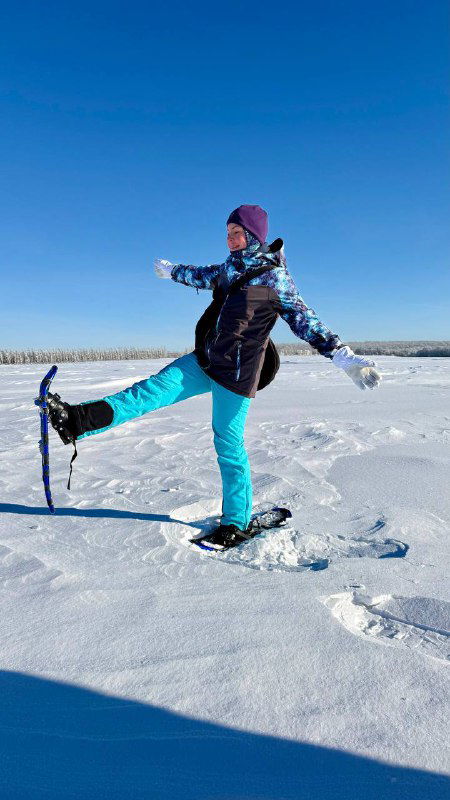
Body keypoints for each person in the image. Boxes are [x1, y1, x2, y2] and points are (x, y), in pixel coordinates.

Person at [47, 204, 381, 549]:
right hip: (204, 360)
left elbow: (304, 320)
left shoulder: (271, 278)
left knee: (228, 444)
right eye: (227, 233)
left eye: (237, 233)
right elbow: (201, 275)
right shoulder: (228, 270)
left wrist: (345, 358)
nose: (231, 239)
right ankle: (76, 420)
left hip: (236, 376)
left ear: (253, 236)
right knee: (146, 393)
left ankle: (236, 521)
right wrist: (173, 270)